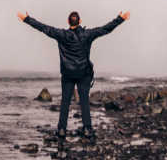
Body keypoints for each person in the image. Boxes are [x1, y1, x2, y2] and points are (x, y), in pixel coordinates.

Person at [16, 9, 130, 141]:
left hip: (68, 74)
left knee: (65, 102)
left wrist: (26, 19)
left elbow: (43, 28)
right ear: (80, 21)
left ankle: (62, 130)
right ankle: (87, 129)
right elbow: (106, 29)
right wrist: (120, 18)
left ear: (68, 22)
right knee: (84, 102)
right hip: (84, 74)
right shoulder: (88, 34)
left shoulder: (61, 34)